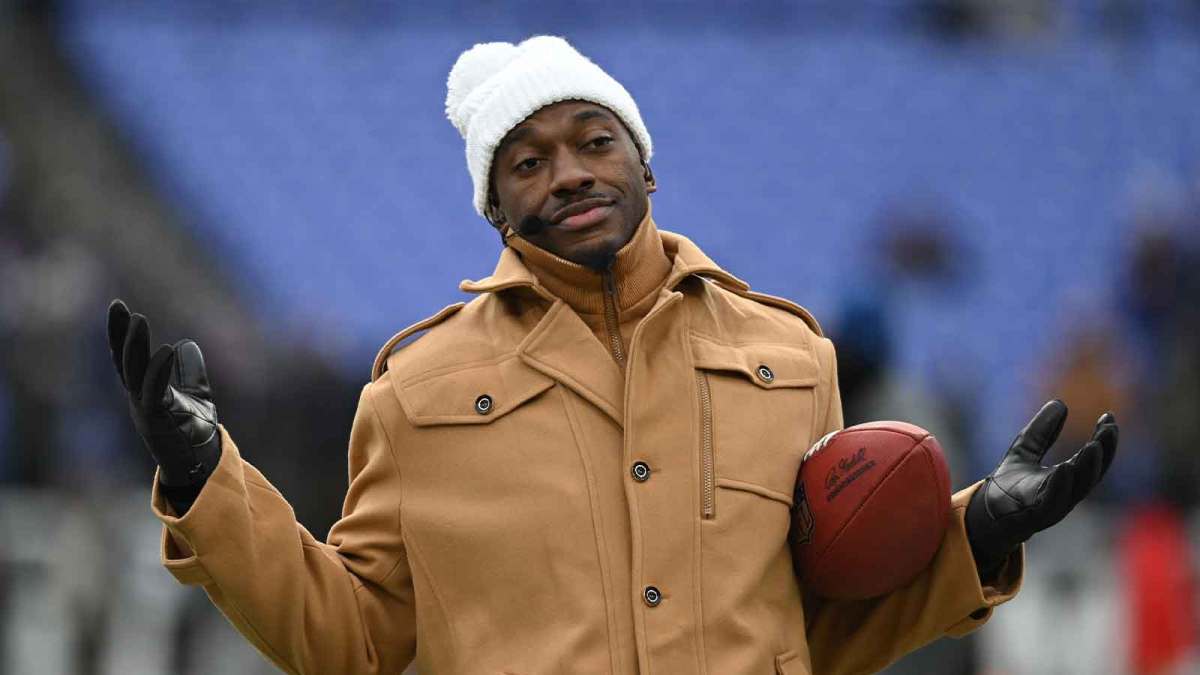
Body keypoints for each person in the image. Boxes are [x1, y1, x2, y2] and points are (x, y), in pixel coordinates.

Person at [105, 36, 1119, 675]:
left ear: (645, 160)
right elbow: (353, 644)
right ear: (495, 205)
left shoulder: (792, 358)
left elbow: (817, 633)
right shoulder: (415, 392)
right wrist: (207, 480)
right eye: (529, 162)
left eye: (596, 141)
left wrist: (973, 531)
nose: (571, 173)